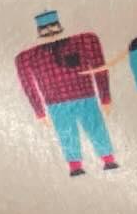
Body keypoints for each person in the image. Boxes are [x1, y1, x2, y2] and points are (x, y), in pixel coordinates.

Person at [14, 10, 119, 179]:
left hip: (85, 97)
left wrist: (105, 96)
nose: (50, 32)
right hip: (56, 103)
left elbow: (99, 66)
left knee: (95, 127)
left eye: (53, 26)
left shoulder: (83, 42)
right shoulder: (29, 57)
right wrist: (39, 111)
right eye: (45, 29)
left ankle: (108, 159)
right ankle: (75, 165)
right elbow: (28, 84)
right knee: (66, 132)